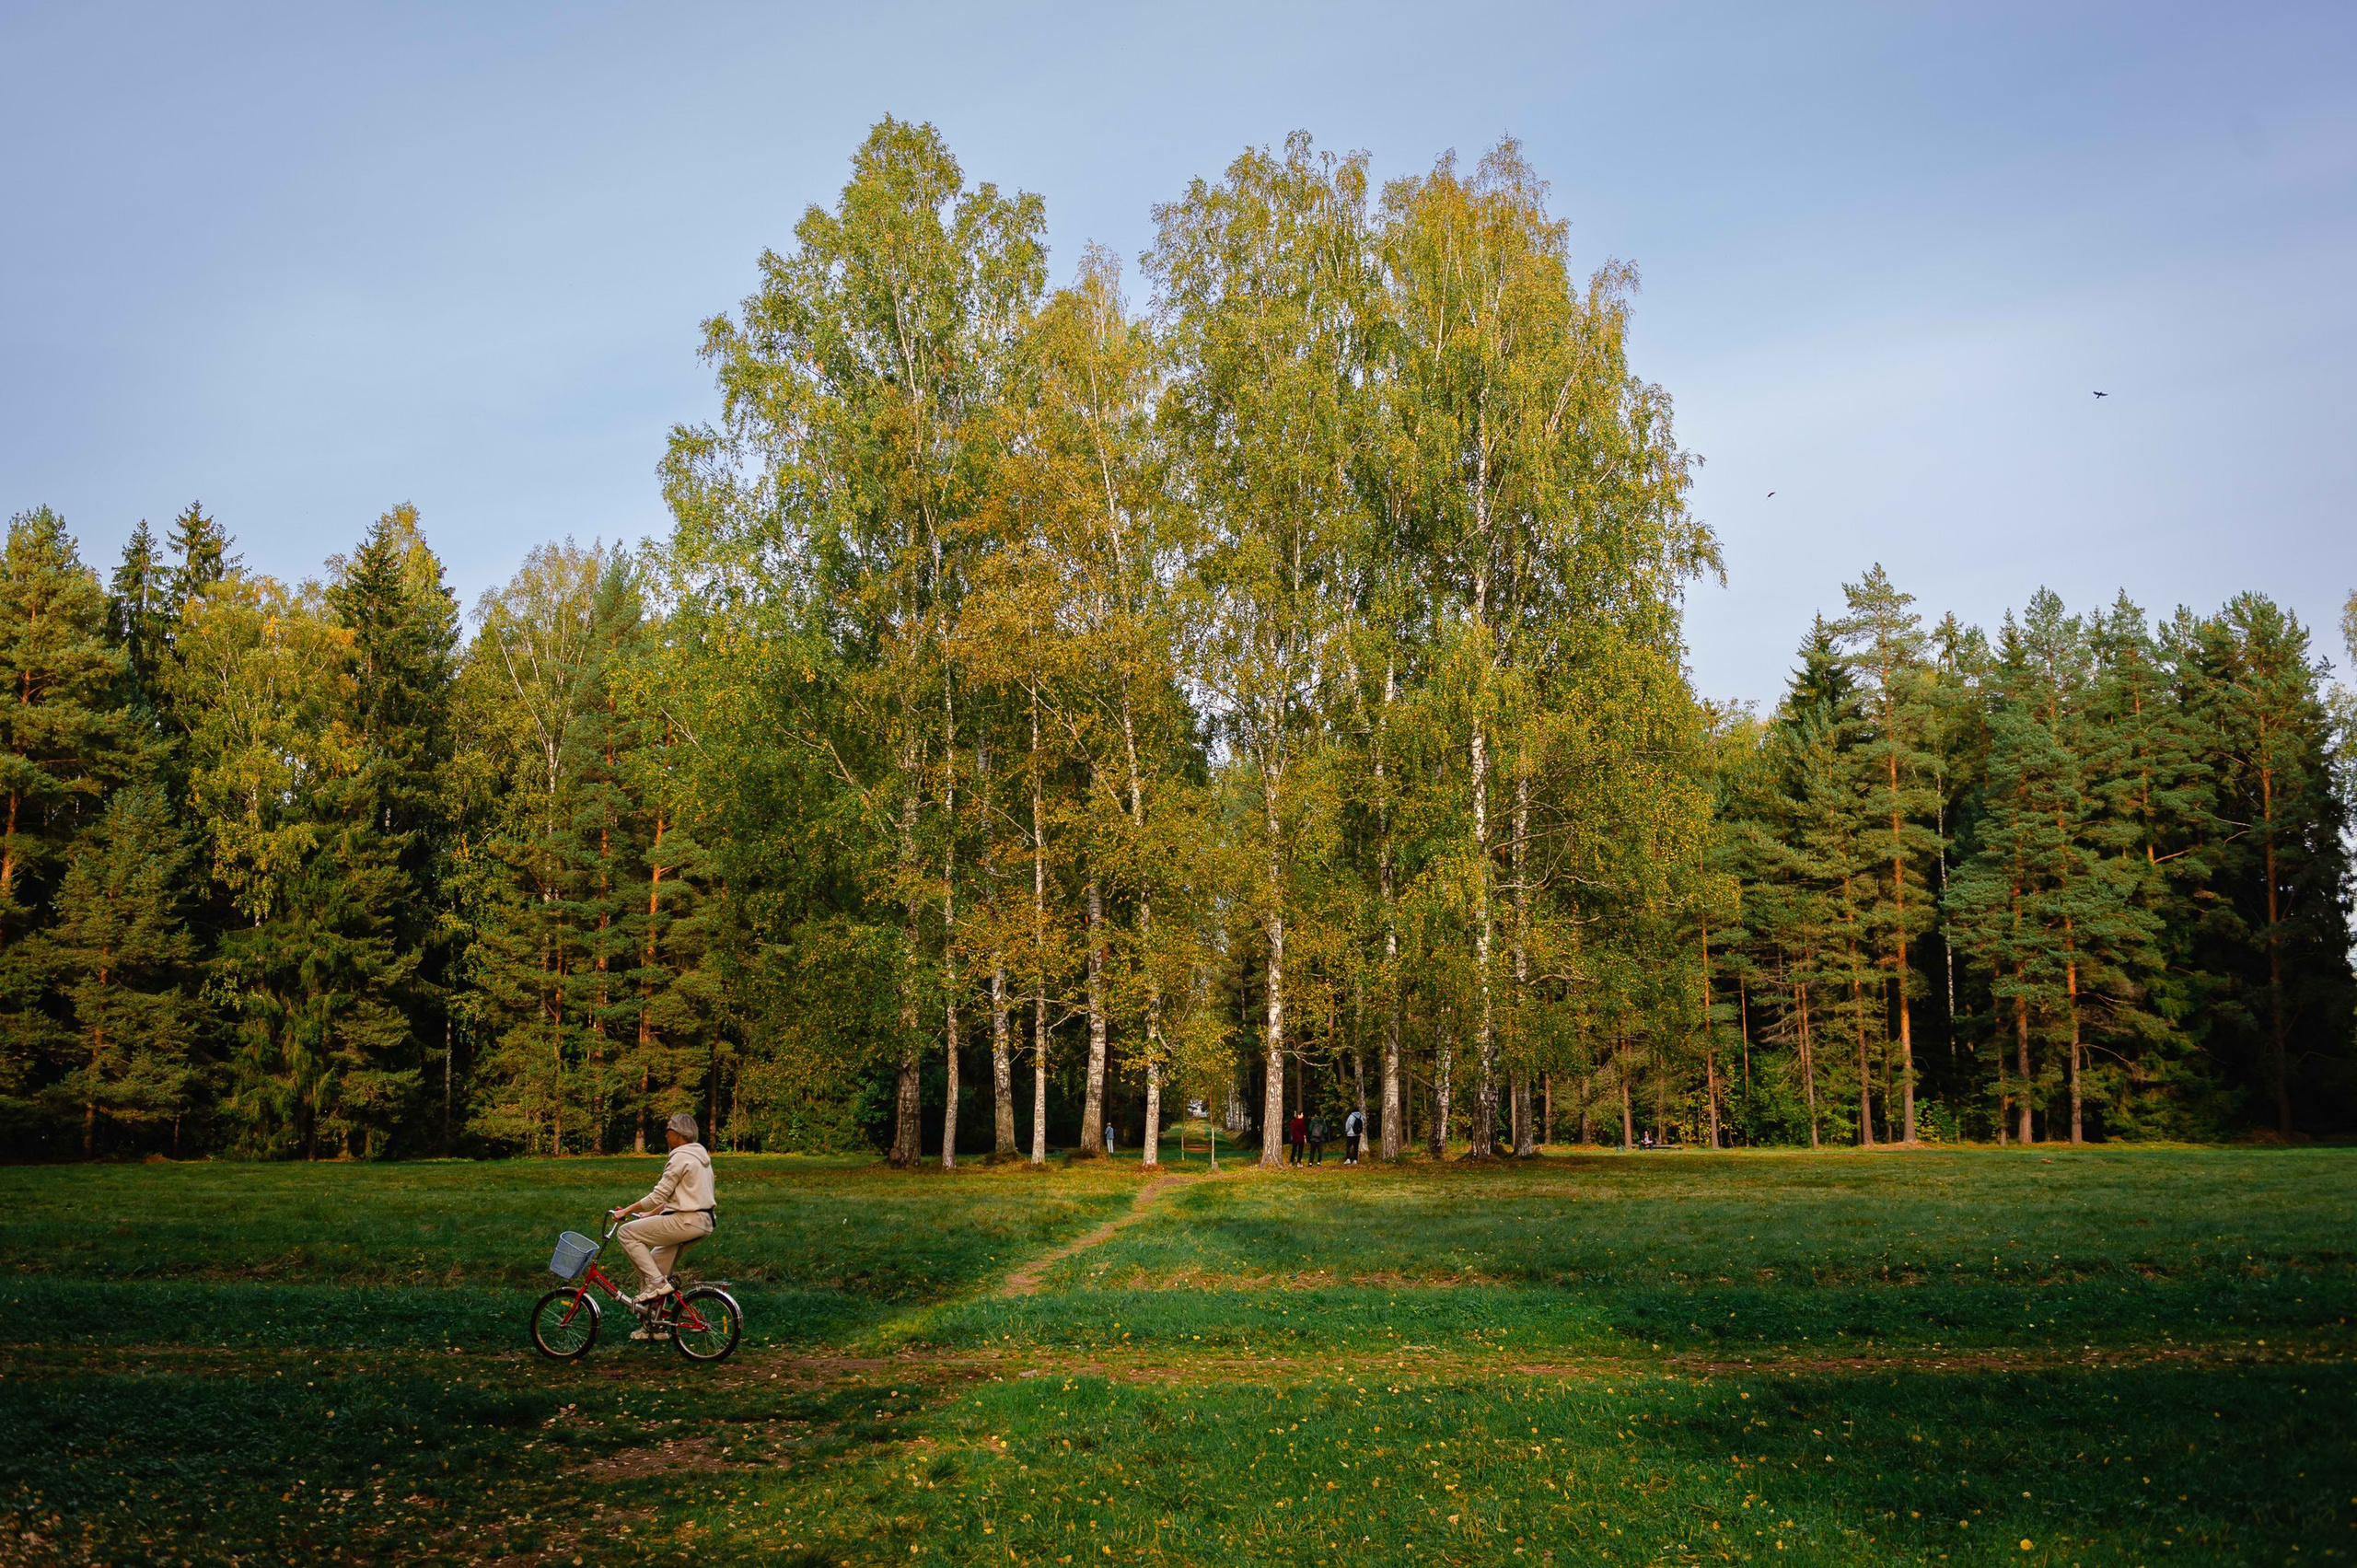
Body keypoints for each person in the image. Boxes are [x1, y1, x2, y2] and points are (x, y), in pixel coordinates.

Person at [610, 1111, 715, 1339]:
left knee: (627, 1233)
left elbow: (659, 1195)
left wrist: (627, 1211)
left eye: (668, 1130)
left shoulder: (680, 1157)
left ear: (677, 1134)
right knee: (655, 1264)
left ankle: (658, 1283)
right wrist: (649, 1214)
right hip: (703, 1222)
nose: (666, 1135)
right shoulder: (701, 1158)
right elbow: (679, 1196)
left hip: (685, 1221)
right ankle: (653, 1328)